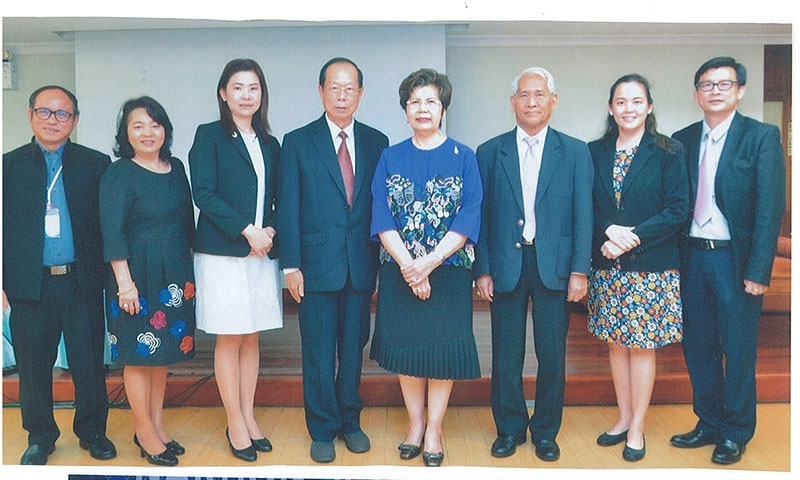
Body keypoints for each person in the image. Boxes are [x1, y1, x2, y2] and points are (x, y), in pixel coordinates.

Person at [669, 56, 785, 465]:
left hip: (735, 262)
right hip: (692, 260)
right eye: (707, 84)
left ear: (740, 90)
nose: (715, 91)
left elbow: (770, 209)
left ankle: (736, 431)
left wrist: (759, 271)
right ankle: (708, 422)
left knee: (737, 349)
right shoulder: (680, 139)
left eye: (724, 84)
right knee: (698, 346)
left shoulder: (761, 136)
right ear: (697, 92)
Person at [474, 67, 593, 462]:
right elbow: (484, 215)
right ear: (512, 103)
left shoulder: (575, 152)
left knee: (551, 355)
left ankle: (545, 431)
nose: (531, 102)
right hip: (507, 263)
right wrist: (483, 268)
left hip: (555, 267)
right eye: (523, 95)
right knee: (506, 354)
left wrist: (580, 270)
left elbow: (583, 215)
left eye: (539, 94)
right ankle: (508, 429)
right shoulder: (490, 152)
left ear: (553, 101)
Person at [277, 57, 388, 463]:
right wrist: (290, 265)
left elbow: (381, 207)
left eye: (350, 88)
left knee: (353, 349)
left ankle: (350, 422)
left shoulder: (378, 142)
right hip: (315, 267)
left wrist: (381, 265)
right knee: (319, 353)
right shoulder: (298, 141)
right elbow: (287, 206)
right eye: (334, 87)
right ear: (320, 91)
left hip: (360, 266)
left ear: (361, 93)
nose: (342, 95)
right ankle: (322, 428)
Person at [369, 68, 482, 468]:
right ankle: (415, 424)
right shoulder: (390, 156)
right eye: (414, 101)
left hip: (449, 272)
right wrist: (409, 267)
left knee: (442, 352)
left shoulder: (464, 156)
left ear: (443, 108)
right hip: (400, 270)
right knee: (407, 350)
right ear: (405, 111)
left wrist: (429, 264)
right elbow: (381, 216)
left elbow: (469, 217)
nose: (422, 108)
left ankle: (435, 427)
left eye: (430, 101)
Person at [2, 85, 116, 465]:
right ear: (31, 115)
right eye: (45, 112)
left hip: (82, 281)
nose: (53, 120)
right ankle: (40, 437)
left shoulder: (96, 164)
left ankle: (92, 432)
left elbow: (110, 224)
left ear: (75, 120)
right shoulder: (9, 166)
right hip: (28, 285)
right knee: (33, 366)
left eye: (62, 113)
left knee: (88, 361)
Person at [587, 74, 689, 462]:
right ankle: (623, 416)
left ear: (649, 106)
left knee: (642, 348)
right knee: (616, 345)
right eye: (620, 101)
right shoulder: (594, 151)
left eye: (636, 101)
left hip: (652, 267)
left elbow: (677, 209)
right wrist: (608, 231)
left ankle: (638, 427)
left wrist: (632, 237)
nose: (628, 108)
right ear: (611, 108)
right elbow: (588, 203)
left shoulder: (669, 152)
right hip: (608, 266)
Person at [188, 58, 282, 462]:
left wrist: (270, 231)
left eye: (254, 88)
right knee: (230, 337)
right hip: (224, 251)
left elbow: (279, 196)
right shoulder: (208, 136)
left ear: (262, 95)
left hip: (262, 251)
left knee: (252, 335)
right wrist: (248, 230)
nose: (247, 95)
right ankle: (234, 421)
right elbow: (204, 194)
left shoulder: (270, 142)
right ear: (223, 94)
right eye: (238, 87)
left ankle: (249, 414)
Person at [99, 96, 196, 466]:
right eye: (138, 126)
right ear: (126, 133)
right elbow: (112, 231)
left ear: (165, 130)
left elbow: (186, 224)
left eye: (155, 125)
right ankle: (144, 431)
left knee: (161, 355)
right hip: (135, 276)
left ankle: (157, 426)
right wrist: (125, 283)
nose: (148, 133)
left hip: (173, 275)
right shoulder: (120, 172)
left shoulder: (177, 167)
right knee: (139, 355)